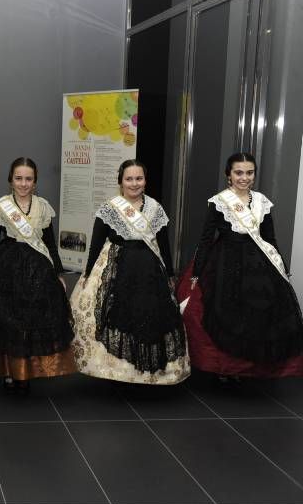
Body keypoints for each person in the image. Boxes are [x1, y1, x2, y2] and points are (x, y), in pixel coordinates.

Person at [176, 152, 303, 378]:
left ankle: (249, 367)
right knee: (226, 313)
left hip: (258, 263)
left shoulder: (262, 202)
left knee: (259, 314)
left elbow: (270, 239)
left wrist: (282, 267)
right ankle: (226, 367)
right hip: (225, 262)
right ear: (229, 175)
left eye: (249, 172)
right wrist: (196, 274)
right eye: (239, 172)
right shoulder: (220, 201)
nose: (244, 177)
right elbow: (206, 238)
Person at [0, 158, 75, 393]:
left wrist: (59, 273)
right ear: (11, 180)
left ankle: (27, 371)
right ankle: (9, 370)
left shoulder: (43, 206)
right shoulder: (2, 206)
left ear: (35, 181)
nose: (23, 183)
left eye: (28, 179)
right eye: (18, 178)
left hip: (37, 270)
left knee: (32, 320)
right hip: (6, 267)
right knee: (7, 321)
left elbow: (50, 244)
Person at [70, 159, 189, 384]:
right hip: (117, 267)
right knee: (117, 315)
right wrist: (87, 274)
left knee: (151, 317)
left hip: (150, 271)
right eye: (129, 179)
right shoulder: (109, 208)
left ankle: (145, 374)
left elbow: (163, 245)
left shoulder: (155, 209)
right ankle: (117, 371)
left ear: (145, 180)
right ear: (120, 182)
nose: (134, 183)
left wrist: (170, 274)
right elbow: (96, 243)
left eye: (139, 178)